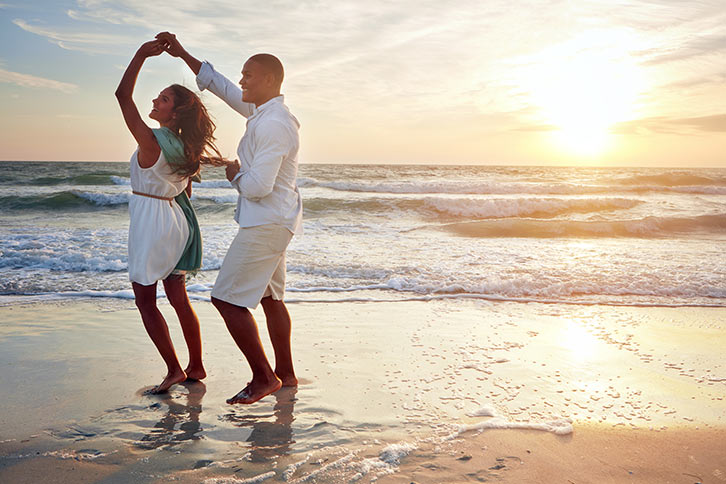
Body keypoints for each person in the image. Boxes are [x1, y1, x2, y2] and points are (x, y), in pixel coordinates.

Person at [156, 31, 303, 405]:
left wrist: (234, 172)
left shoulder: (273, 123)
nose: (242, 81)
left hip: (266, 222)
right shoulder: (262, 111)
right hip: (275, 220)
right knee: (271, 299)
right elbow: (219, 86)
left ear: (269, 80)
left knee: (226, 300)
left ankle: (262, 378)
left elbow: (257, 187)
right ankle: (284, 374)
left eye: (248, 75)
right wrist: (184, 55)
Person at [115, 39, 226, 394]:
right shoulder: (185, 146)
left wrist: (140, 56)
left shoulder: (152, 141)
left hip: (151, 222)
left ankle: (174, 369)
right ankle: (196, 365)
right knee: (177, 296)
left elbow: (122, 96)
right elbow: (186, 191)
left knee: (145, 300)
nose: (154, 101)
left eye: (162, 99)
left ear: (174, 113)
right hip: (179, 222)